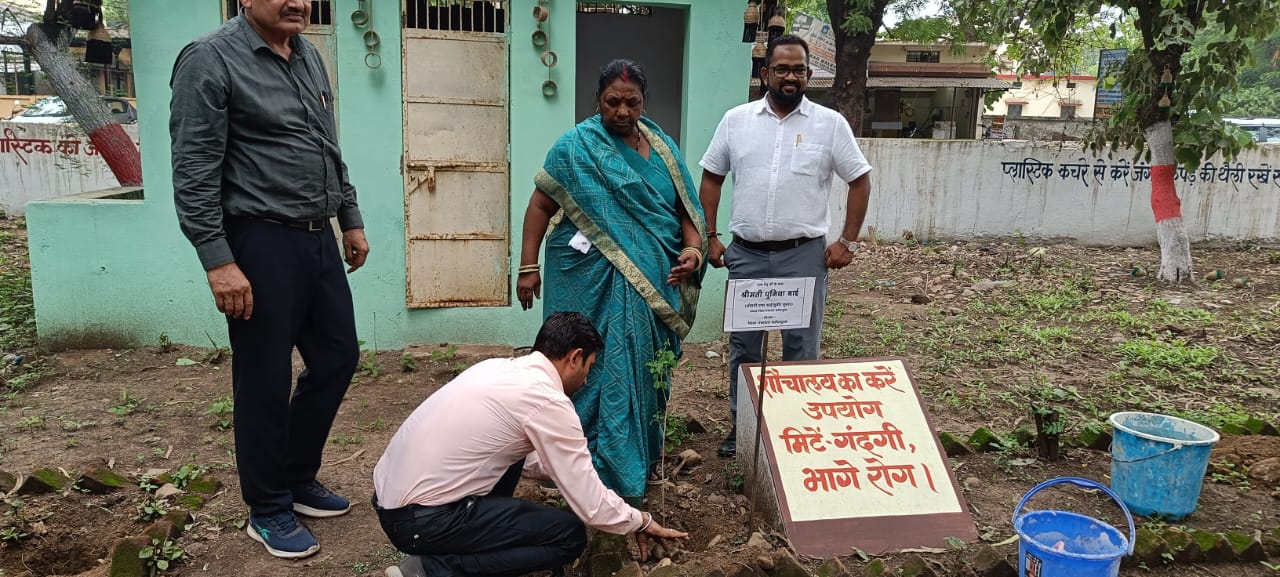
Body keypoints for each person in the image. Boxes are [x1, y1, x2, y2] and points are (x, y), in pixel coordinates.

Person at [170, 0, 370, 559]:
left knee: (337, 356)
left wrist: (347, 218)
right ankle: (268, 508)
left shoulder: (307, 54)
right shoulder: (209, 60)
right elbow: (192, 169)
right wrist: (218, 260)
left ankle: (296, 477)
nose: (297, 3)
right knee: (263, 377)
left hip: (316, 236)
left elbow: (328, 147)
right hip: (257, 241)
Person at [372, 312, 689, 577]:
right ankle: (432, 568)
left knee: (516, 455)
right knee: (567, 536)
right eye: (589, 368)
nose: (587, 381)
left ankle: (451, 551)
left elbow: (535, 462)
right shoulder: (546, 400)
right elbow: (591, 508)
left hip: (394, 505)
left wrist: (575, 473)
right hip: (421, 522)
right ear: (574, 358)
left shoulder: (499, 368)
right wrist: (641, 520)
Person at [517, 59, 706, 502]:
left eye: (632, 102)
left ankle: (634, 452)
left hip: (655, 276)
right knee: (584, 361)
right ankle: (575, 459)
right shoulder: (575, 147)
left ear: (644, 101)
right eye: (612, 102)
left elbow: (686, 213)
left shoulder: (663, 148)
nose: (622, 111)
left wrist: (693, 251)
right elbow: (541, 206)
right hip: (587, 278)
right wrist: (529, 267)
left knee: (642, 363)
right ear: (598, 100)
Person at [698, 35, 872, 458]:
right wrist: (710, 235)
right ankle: (742, 428)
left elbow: (860, 179)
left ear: (809, 74)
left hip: (804, 256)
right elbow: (711, 177)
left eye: (798, 69)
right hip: (748, 255)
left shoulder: (830, 124)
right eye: (782, 69)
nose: (790, 76)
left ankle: (795, 432)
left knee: (800, 346)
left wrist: (847, 240)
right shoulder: (735, 121)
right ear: (765, 74)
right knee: (745, 347)